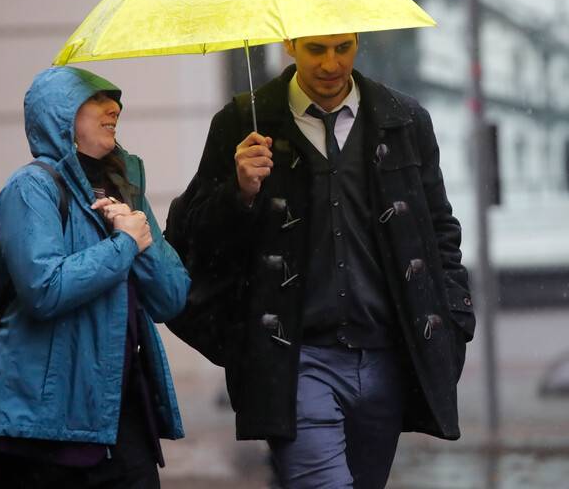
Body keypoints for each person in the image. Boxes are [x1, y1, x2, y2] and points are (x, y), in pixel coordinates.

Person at [165, 33, 474, 488]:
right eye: (316, 49)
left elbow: (439, 229)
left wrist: (455, 316)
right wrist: (240, 193)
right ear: (290, 45)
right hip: (296, 360)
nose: (331, 64)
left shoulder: (404, 120)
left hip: (386, 356)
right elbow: (195, 242)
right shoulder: (244, 122)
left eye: (343, 47)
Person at [0, 66, 190, 488]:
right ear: (60, 115)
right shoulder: (30, 189)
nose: (114, 108)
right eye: (96, 100)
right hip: (39, 427)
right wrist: (123, 245)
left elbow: (171, 297)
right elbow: (45, 290)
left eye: (115, 101)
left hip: (120, 418)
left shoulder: (124, 187)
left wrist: (138, 239)